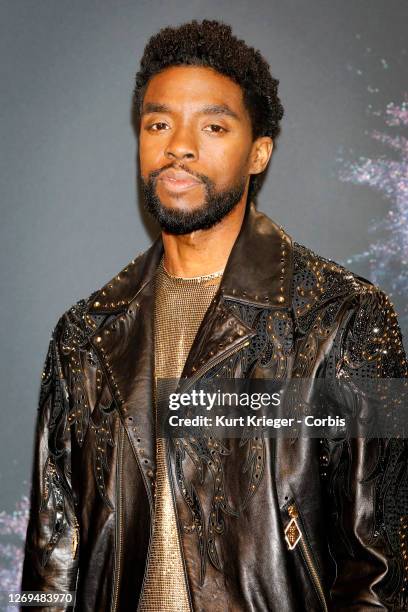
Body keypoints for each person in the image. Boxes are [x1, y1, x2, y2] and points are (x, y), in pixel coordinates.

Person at [21, 20, 408, 612]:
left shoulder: (343, 318)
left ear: (258, 153)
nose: (179, 144)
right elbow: (49, 565)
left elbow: (379, 577)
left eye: (213, 125)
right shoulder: (84, 338)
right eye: (158, 124)